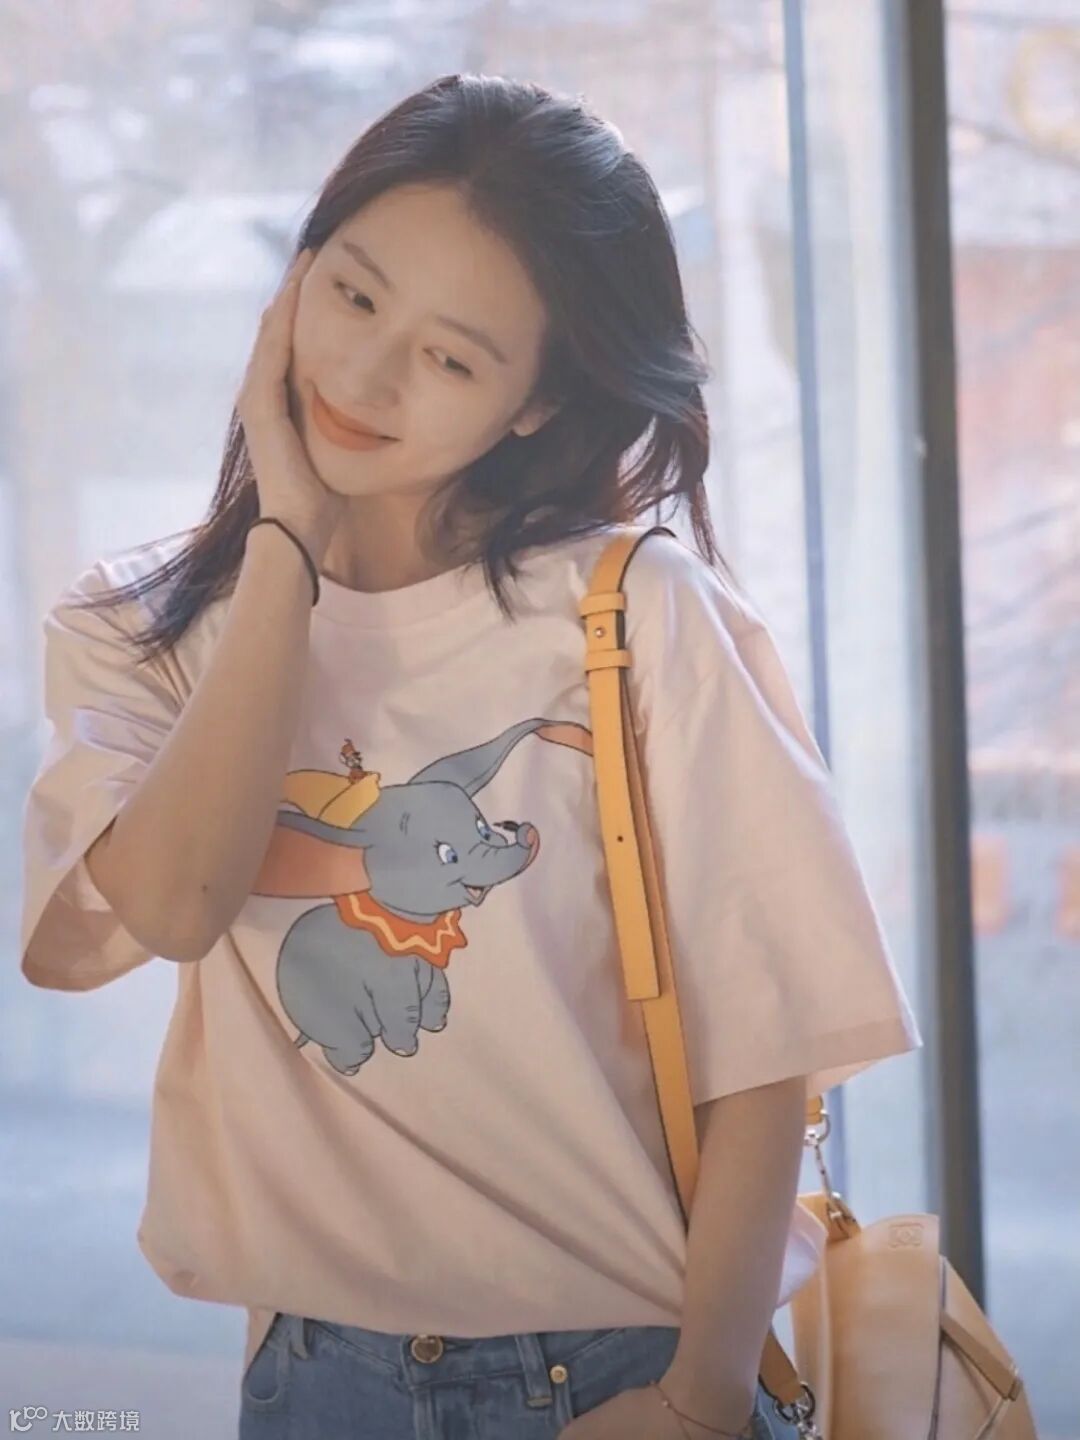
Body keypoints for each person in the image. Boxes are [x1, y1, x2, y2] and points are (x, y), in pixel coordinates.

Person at [18, 73, 921, 1440]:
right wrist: (287, 549)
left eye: (450, 359)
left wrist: (699, 1397)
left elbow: (765, 1052)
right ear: (296, 276)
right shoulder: (136, 629)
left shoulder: (633, 615)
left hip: (615, 1371)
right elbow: (176, 904)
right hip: (317, 1379)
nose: (366, 376)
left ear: (536, 403)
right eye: (353, 296)